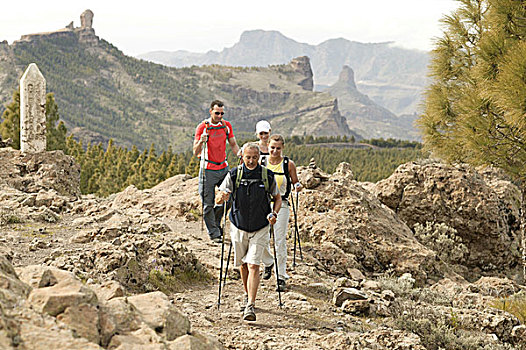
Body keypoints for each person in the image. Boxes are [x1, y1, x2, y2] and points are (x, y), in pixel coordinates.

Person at [216, 143, 282, 321]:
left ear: (259, 157)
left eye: (254, 157)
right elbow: (220, 197)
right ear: (242, 157)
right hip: (238, 225)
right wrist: (222, 197)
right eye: (248, 157)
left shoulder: (266, 175)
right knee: (243, 265)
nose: (251, 161)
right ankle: (247, 294)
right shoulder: (234, 174)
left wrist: (274, 213)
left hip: (260, 226)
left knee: (253, 264)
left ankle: (250, 305)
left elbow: (277, 198)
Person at [260, 134, 303, 292]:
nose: (275, 151)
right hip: (263, 205)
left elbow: (295, 181)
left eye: (278, 148)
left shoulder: (288, 164)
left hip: (282, 205)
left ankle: (281, 277)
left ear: (282, 148)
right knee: (262, 239)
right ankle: (268, 262)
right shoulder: (262, 162)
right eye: (272, 147)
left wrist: (298, 186)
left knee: (279, 241)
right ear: (268, 146)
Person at [193, 100, 240, 243]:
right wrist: (201, 141)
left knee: (229, 198)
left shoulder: (226, 126)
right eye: (217, 113)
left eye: (222, 113)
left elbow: (233, 144)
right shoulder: (203, 127)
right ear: (210, 112)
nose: (220, 116)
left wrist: (240, 156)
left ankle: (215, 222)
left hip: (223, 167)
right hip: (207, 169)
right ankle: (214, 233)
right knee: (207, 203)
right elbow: (196, 152)